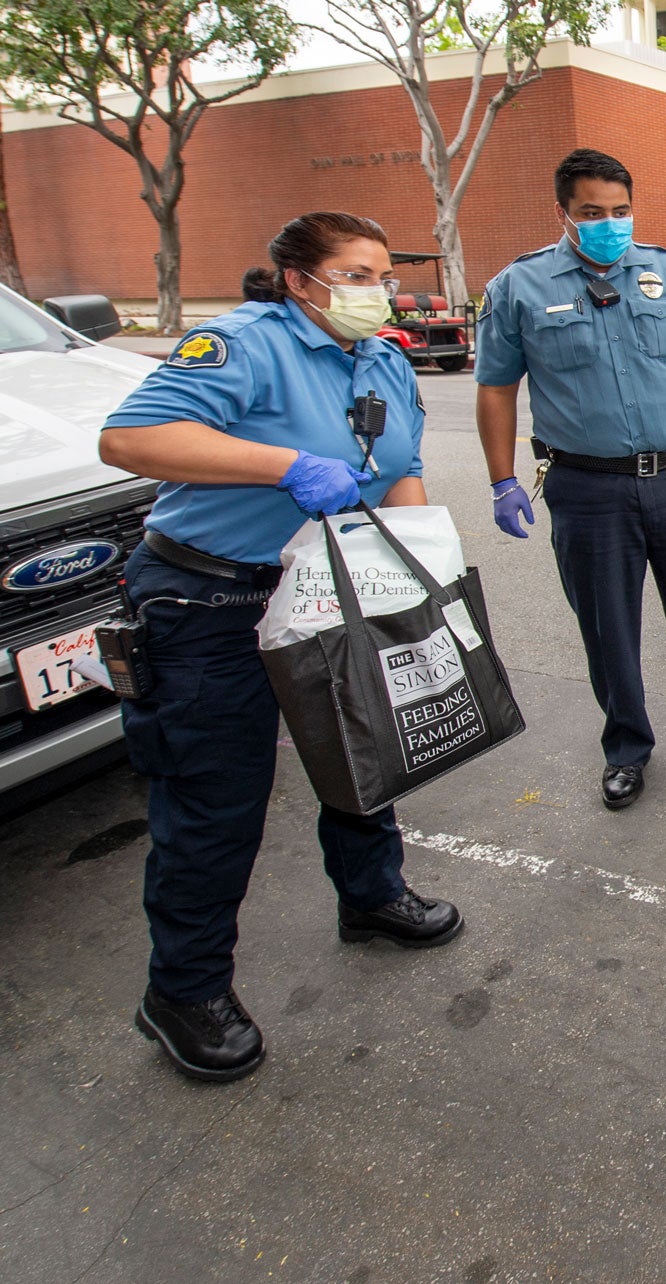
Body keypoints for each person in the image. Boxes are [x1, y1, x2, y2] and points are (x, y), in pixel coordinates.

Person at [97, 212, 464, 1084]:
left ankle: (371, 897)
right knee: (214, 805)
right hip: (210, 600)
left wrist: (417, 562)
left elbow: (398, 463)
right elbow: (129, 440)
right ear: (302, 281)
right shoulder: (242, 345)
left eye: (384, 274)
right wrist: (283, 466)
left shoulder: (380, 355)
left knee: (364, 752)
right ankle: (183, 993)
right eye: (357, 273)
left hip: (336, 585)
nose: (378, 290)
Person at [475, 149, 666, 812]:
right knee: (607, 627)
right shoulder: (518, 288)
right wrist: (502, 480)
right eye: (592, 213)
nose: (608, 224)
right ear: (562, 213)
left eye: (619, 211)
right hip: (588, 489)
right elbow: (496, 389)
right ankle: (626, 749)